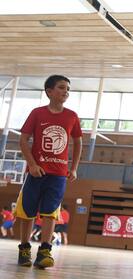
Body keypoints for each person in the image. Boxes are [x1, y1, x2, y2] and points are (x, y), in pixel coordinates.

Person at [15, 75, 82, 269]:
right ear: (49, 91)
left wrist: (74, 167)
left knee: (50, 213)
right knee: (27, 212)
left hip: (59, 175)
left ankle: (44, 251)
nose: (66, 91)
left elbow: (78, 142)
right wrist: (32, 164)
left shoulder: (71, 116)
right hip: (36, 173)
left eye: (68, 88)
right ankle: (24, 249)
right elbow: (23, 140)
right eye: (61, 87)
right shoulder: (37, 113)